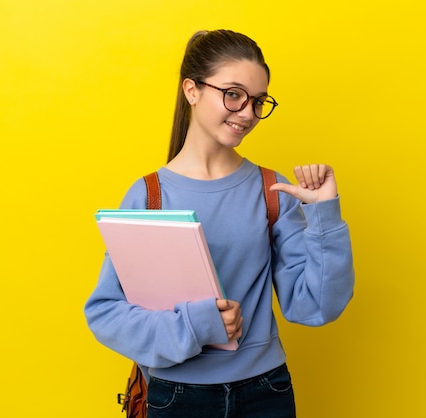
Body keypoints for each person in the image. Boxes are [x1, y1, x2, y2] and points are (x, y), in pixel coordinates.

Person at [85, 29, 355, 418]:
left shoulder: (270, 188)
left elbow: (314, 307)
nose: (247, 112)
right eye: (233, 94)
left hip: (267, 391)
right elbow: (106, 312)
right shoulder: (150, 195)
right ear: (191, 90)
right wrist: (198, 326)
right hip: (176, 397)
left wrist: (324, 214)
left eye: (258, 101)